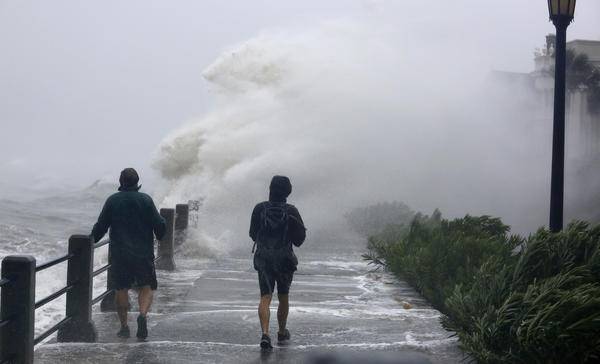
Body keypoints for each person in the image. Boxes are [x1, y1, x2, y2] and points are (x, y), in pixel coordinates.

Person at [91, 168, 166, 340]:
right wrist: (163, 227)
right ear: (137, 181)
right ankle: (142, 315)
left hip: (120, 254)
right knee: (146, 287)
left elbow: (101, 226)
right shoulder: (146, 200)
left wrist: (90, 240)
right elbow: (159, 225)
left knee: (121, 289)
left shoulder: (113, 200)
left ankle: (124, 327)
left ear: (121, 182)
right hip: (143, 253)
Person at [249, 175, 306, 349]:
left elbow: (252, 233)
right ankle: (281, 331)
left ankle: (265, 333)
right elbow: (299, 240)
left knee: (265, 297)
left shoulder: (259, 208)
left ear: (270, 189)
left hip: (264, 257)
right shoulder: (291, 211)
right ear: (288, 192)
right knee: (283, 296)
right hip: (284, 258)